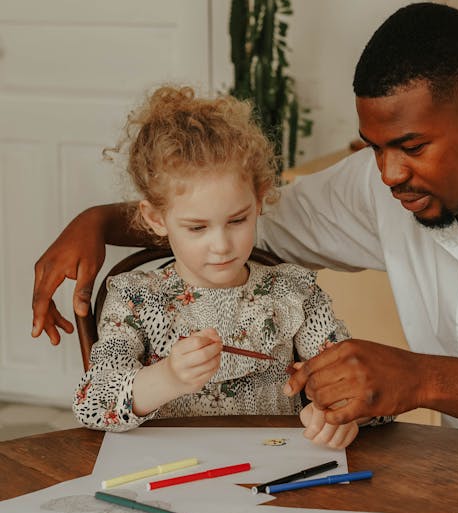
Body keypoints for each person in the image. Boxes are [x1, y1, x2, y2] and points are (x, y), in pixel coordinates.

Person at [33, 5, 458, 492]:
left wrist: (423, 378)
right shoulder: (388, 186)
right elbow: (235, 219)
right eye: (374, 148)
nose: (386, 175)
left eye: (410, 147)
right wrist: (100, 219)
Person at [70, 85, 358, 449]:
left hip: (278, 473)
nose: (222, 246)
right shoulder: (135, 299)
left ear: (259, 199)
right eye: (197, 228)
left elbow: (359, 384)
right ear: (156, 218)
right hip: (170, 477)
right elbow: (93, 404)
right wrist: (168, 377)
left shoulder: (294, 293)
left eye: (237, 221)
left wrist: (338, 412)